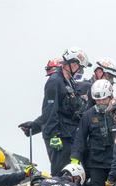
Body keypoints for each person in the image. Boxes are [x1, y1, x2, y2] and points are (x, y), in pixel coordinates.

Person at [18, 47, 91, 175]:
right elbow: (50, 110)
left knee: (71, 172)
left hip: (69, 134)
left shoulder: (69, 81)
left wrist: (34, 125)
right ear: (72, 64)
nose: (81, 70)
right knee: (61, 172)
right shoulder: (55, 81)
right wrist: (53, 136)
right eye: (80, 67)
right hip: (60, 137)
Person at [70, 79, 116, 186]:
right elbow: (80, 138)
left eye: (104, 99)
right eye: (98, 99)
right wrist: (75, 159)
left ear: (110, 97)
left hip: (115, 163)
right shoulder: (88, 115)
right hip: (96, 163)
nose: (101, 102)